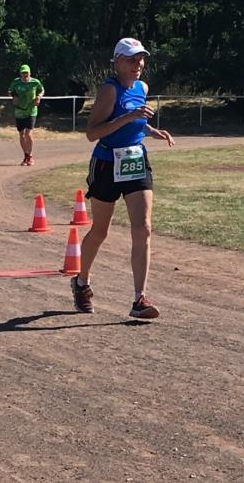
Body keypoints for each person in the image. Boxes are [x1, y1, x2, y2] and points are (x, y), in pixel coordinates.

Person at [71, 37, 175, 318]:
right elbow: (93, 133)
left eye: (140, 59)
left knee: (143, 228)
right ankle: (81, 282)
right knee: (100, 231)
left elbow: (137, 121)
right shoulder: (109, 90)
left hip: (135, 162)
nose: (137, 64)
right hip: (106, 164)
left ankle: (139, 299)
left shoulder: (142, 87)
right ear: (117, 62)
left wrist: (151, 131)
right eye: (131, 59)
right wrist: (128, 118)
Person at [8, 64, 45, 165]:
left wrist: (39, 97)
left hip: (31, 110)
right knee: (21, 133)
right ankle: (26, 156)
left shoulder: (35, 82)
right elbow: (10, 91)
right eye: (23, 73)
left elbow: (42, 90)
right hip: (19, 111)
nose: (25, 75)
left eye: (26, 73)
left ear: (30, 73)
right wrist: (14, 96)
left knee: (28, 133)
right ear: (20, 74)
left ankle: (30, 155)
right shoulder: (16, 82)